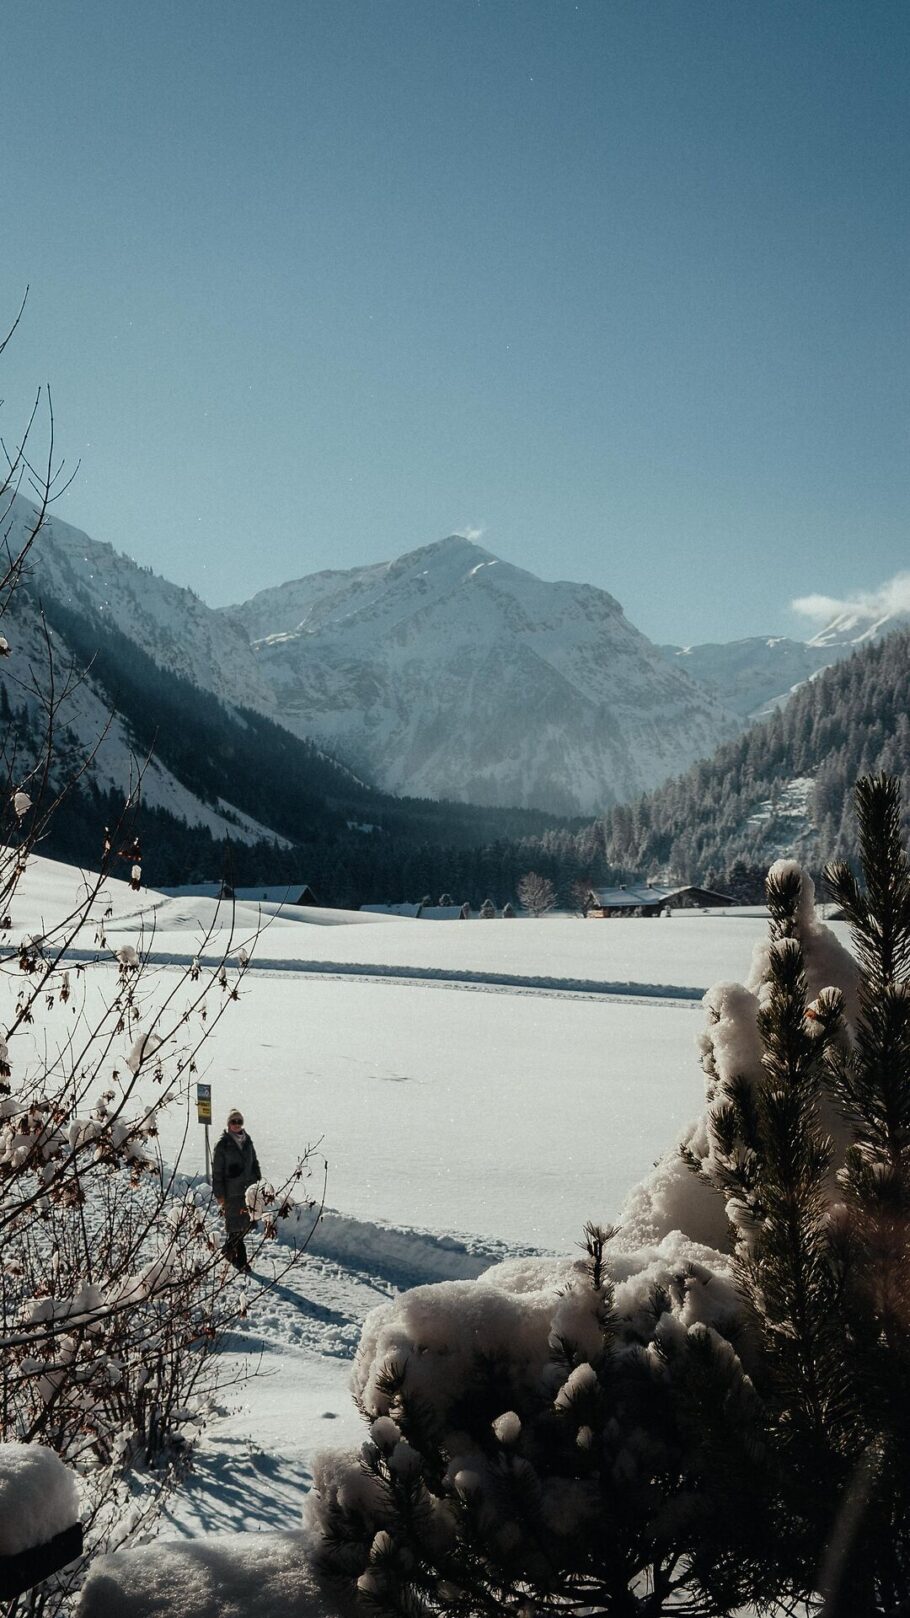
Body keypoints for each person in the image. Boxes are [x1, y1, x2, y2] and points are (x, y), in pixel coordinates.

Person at [212, 1108, 262, 1272]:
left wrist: (258, 1180)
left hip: (248, 1192)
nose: (236, 1124)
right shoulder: (223, 1145)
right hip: (231, 1193)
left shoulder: (248, 1142)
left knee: (244, 1225)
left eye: (239, 1121)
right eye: (233, 1121)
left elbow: (254, 1162)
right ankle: (241, 1261)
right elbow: (217, 1172)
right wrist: (219, 1193)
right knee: (235, 1227)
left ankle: (228, 1249)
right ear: (228, 1124)